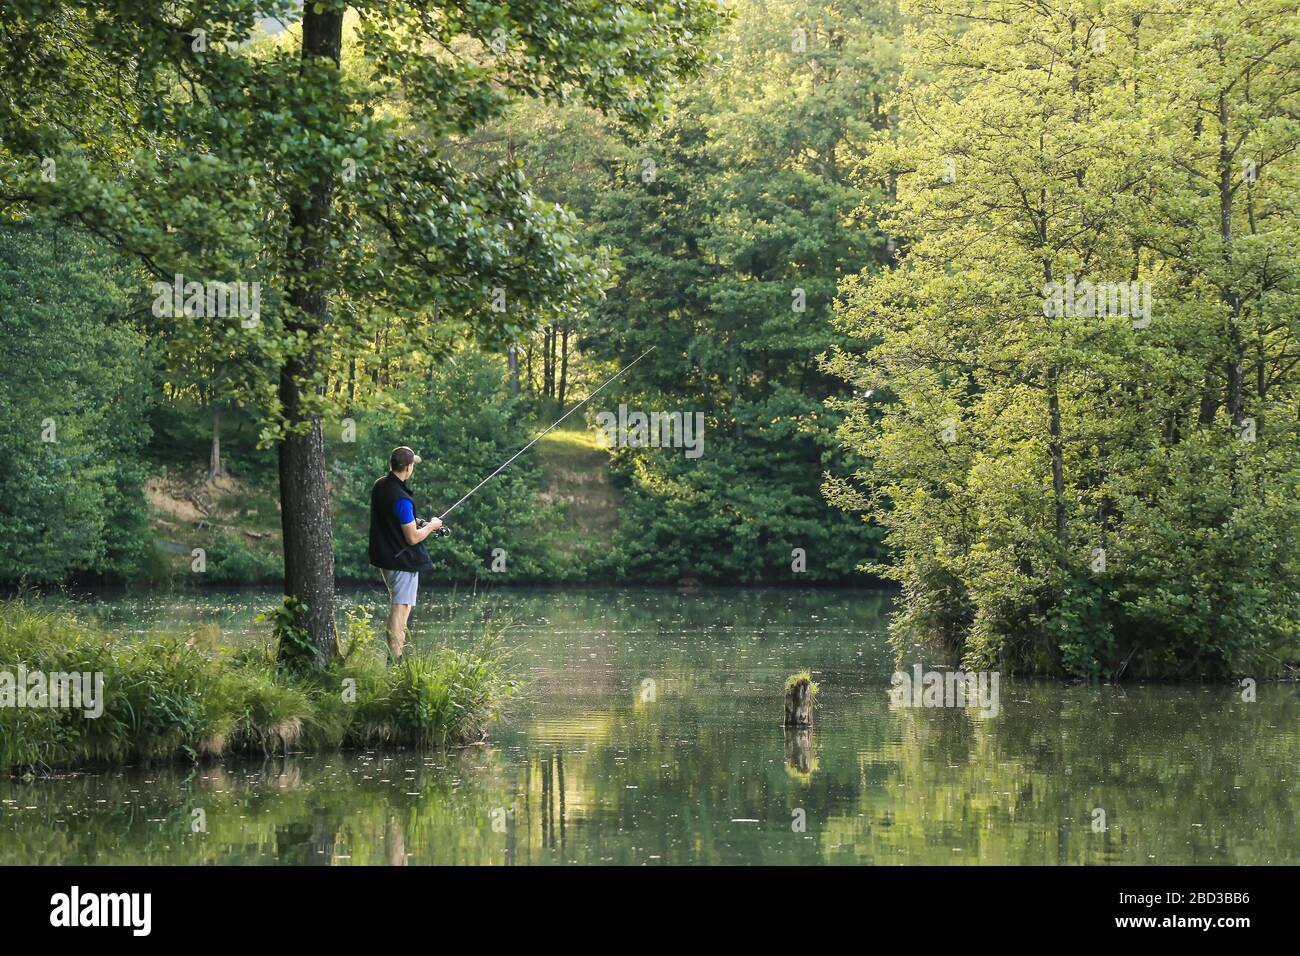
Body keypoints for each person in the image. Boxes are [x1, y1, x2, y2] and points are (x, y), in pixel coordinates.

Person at [368, 446, 442, 660]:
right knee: (400, 610)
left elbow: (392, 519)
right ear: (408, 468)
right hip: (401, 561)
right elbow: (412, 538)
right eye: (412, 465)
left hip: (384, 557)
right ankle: (395, 660)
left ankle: (395, 658)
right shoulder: (402, 499)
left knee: (400, 606)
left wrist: (418, 522)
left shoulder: (380, 486)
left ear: (391, 465)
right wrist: (431, 526)